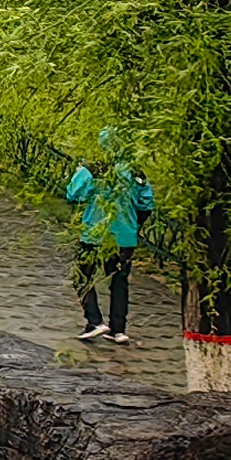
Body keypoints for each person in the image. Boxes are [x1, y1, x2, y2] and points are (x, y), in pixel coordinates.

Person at [65, 132, 152, 342]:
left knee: (82, 276)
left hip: (95, 233)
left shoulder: (94, 169)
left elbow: (73, 194)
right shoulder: (135, 172)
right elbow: (146, 204)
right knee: (119, 281)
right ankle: (118, 329)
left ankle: (94, 321)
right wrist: (133, 225)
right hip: (125, 236)